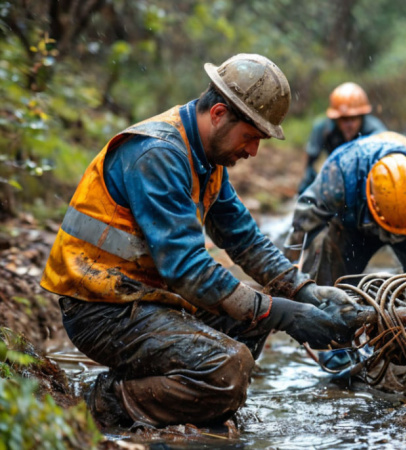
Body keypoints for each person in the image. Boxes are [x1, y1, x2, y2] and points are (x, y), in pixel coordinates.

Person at [40, 54, 359, 428]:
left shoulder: (207, 158)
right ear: (219, 114)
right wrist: (286, 314)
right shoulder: (158, 154)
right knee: (229, 366)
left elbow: (244, 239)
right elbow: (187, 269)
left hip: (147, 296)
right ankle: (104, 401)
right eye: (251, 137)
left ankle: (194, 399)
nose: (253, 151)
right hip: (100, 309)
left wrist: (304, 292)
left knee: (254, 316)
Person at [286, 131, 406, 286]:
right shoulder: (340, 176)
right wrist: (288, 276)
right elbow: (301, 230)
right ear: (370, 198)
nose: (394, 236)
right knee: (330, 287)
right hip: (352, 227)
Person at [298, 82, 387, 193]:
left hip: (366, 181)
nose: (349, 125)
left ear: (362, 117)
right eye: (344, 119)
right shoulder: (323, 129)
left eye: (353, 119)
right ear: (336, 119)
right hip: (335, 178)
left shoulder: (375, 131)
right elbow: (310, 164)